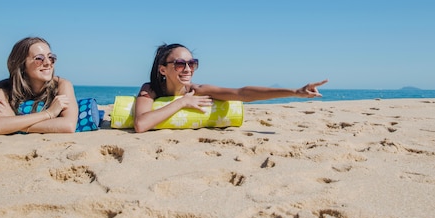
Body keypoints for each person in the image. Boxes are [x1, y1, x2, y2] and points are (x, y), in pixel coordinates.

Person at [134, 43, 328, 133]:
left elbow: (241, 93)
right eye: (179, 64)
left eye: (192, 63)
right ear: (163, 69)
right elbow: (141, 124)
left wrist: (294, 92)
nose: (187, 69)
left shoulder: (198, 89)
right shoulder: (150, 89)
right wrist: (183, 102)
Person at [0, 36, 78, 135]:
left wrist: (13, 121)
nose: (48, 63)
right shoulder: (2, 89)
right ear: (22, 65)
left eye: (51, 57)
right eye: (39, 58)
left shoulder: (62, 85)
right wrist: (49, 114)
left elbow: (68, 125)